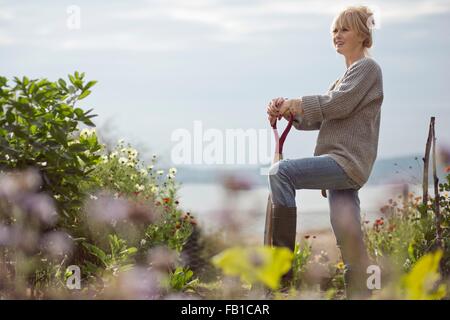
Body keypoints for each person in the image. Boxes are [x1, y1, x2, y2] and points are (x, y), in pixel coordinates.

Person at [266, 5, 383, 299]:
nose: (337, 35)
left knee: (281, 172)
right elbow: (321, 117)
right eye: (334, 30)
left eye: (344, 29)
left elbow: (337, 104)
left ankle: (278, 275)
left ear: (363, 33)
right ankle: (364, 292)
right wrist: (287, 113)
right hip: (343, 167)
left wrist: (297, 102)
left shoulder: (367, 69)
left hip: (346, 162)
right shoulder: (343, 78)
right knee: (347, 232)